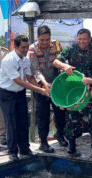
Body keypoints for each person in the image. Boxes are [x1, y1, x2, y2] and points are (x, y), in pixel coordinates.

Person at [0, 35, 49, 161]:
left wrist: (43, 88)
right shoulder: (8, 60)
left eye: (27, 47)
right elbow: (19, 81)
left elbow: (29, 77)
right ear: (15, 46)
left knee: (23, 121)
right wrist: (39, 90)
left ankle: (25, 148)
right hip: (7, 94)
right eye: (23, 47)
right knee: (11, 122)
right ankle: (12, 151)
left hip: (20, 93)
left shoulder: (26, 59)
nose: (25, 50)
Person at [53, 28, 92, 154]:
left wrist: (91, 88)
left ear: (89, 39)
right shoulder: (71, 49)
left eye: (84, 39)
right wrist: (65, 66)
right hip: (74, 89)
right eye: (79, 39)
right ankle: (72, 144)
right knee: (72, 117)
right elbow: (56, 61)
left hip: (91, 87)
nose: (81, 41)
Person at [28, 25, 67, 153]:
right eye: (42, 40)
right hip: (41, 88)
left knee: (60, 112)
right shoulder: (32, 50)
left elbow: (61, 61)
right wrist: (44, 84)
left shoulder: (56, 45)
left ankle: (60, 135)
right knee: (42, 116)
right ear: (37, 38)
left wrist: (63, 69)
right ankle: (43, 142)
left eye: (47, 39)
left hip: (57, 86)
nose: (45, 42)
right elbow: (35, 70)